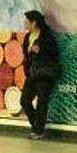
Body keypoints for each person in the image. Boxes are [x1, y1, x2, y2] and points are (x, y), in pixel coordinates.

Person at [20, 10, 60, 140]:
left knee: (42, 103)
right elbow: (26, 55)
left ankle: (38, 131)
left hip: (44, 74)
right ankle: (37, 126)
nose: (25, 23)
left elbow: (54, 53)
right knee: (25, 101)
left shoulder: (46, 36)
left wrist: (41, 50)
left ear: (34, 23)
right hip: (32, 73)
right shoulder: (27, 37)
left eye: (27, 21)